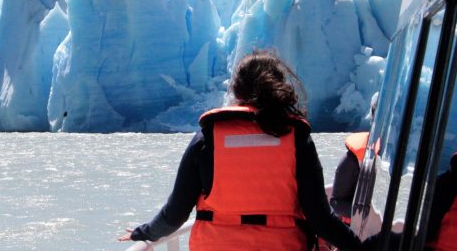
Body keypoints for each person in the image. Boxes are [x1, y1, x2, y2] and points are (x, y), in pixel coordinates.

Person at [118, 51, 377, 250]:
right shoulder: (296, 138)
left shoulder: (207, 137)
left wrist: (144, 233)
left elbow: (175, 213)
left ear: (237, 90)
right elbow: (321, 220)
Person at [330, 93, 378, 223]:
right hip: (358, 233)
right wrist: (369, 216)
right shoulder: (354, 158)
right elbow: (336, 203)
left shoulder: (409, 159)